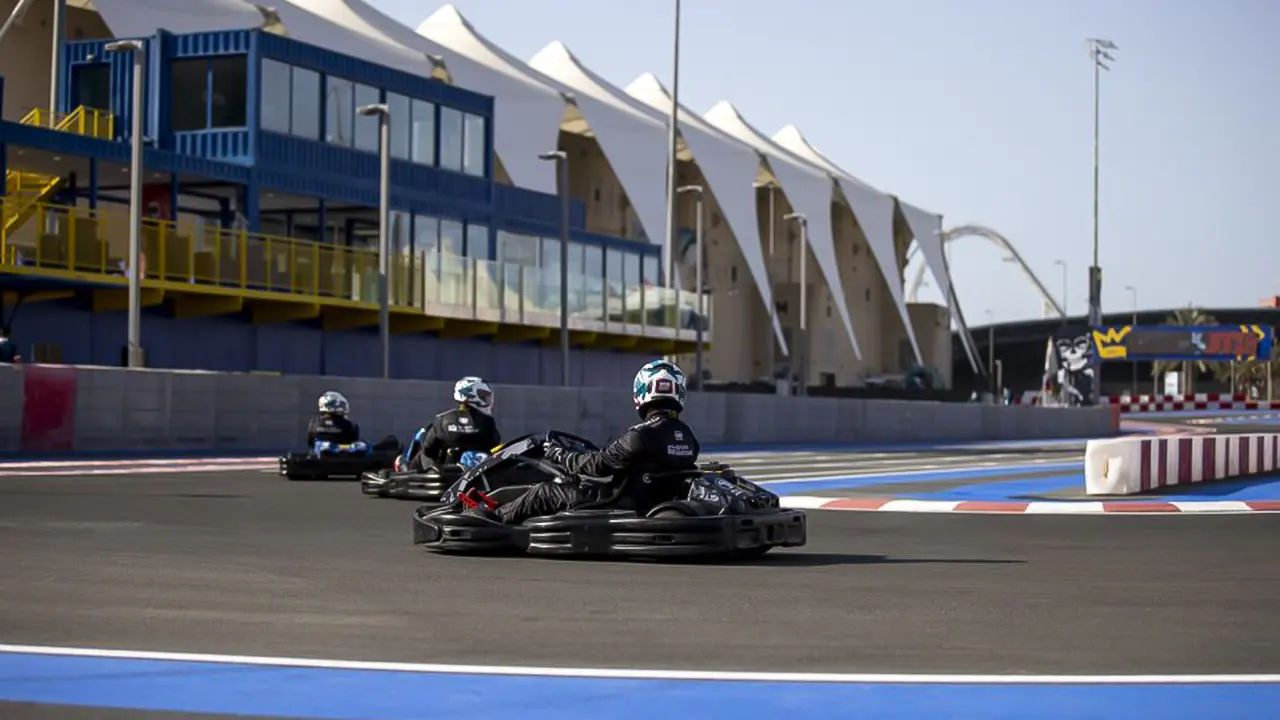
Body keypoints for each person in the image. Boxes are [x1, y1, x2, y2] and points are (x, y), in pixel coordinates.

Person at [466, 360, 700, 525]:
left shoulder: (640, 434)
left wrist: (559, 455)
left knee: (543, 491)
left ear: (642, 391)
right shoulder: (687, 435)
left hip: (617, 500)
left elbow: (598, 466)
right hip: (648, 496)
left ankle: (491, 520)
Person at [400, 376, 501, 471]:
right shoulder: (487, 422)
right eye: (483, 396)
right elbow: (495, 442)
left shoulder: (443, 419)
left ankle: (407, 468)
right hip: (475, 474)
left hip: (441, 475)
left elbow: (428, 448)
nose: (487, 400)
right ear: (470, 395)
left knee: (422, 436)